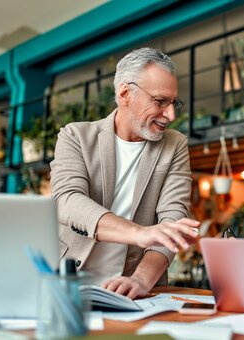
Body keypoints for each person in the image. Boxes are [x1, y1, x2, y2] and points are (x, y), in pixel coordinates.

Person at [50, 47, 200, 299]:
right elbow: (67, 201)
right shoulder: (75, 136)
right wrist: (140, 232)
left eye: (173, 103)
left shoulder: (175, 145)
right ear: (124, 94)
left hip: (135, 290)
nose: (171, 114)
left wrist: (140, 280)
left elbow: (172, 219)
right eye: (160, 101)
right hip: (68, 282)